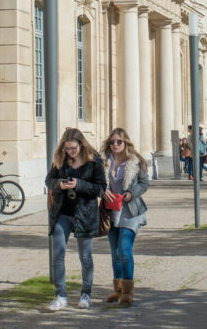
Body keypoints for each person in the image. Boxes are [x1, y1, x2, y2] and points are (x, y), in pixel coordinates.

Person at [45, 128, 107, 311]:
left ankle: (86, 294)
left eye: (73, 148)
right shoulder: (60, 160)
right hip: (62, 212)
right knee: (58, 254)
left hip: (85, 213)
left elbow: (101, 188)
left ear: (81, 144)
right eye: (67, 149)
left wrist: (79, 184)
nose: (70, 152)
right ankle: (60, 295)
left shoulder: (94, 160)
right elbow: (49, 181)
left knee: (85, 256)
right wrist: (60, 184)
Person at [101, 128, 149, 307]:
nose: (115, 145)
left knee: (124, 250)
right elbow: (99, 183)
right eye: (112, 142)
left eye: (119, 142)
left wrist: (131, 193)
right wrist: (102, 191)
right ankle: (118, 289)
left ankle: (128, 293)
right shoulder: (104, 162)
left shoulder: (136, 161)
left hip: (130, 210)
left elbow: (144, 184)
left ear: (125, 143)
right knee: (114, 252)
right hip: (111, 210)